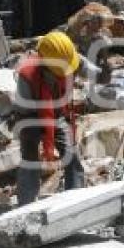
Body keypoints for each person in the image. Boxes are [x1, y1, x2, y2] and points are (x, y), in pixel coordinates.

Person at [14, 31, 101, 205]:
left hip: (58, 115)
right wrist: (47, 138)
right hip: (30, 118)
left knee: (71, 154)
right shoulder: (27, 75)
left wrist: (103, 75)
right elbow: (26, 108)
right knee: (30, 161)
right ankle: (26, 205)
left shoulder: (70, 60)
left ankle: (74, 201)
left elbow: (89, 70)